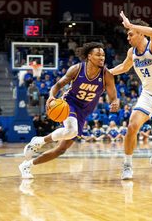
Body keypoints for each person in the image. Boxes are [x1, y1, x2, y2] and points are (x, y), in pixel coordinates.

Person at [19, 42, 119, 179]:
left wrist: (115, 102)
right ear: (89, 56)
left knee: (61, 149)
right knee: (72, 130)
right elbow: (58, 84)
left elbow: (113, 97)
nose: (102, 57)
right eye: (98, 55)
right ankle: (40, 141)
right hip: (69, 103)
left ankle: (27, 165)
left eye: (103, 55)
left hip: (84, 112)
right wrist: (51, 96)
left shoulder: (106, 75)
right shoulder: (77, 69)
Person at [109, 11, 152, 180]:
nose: (128, 37)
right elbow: (124, 67)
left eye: (130, 34)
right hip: (148, 96)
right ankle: (127, 165)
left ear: (140, 33)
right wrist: (106, 74)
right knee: (132, 126)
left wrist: (131, 25)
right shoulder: (132, 53)